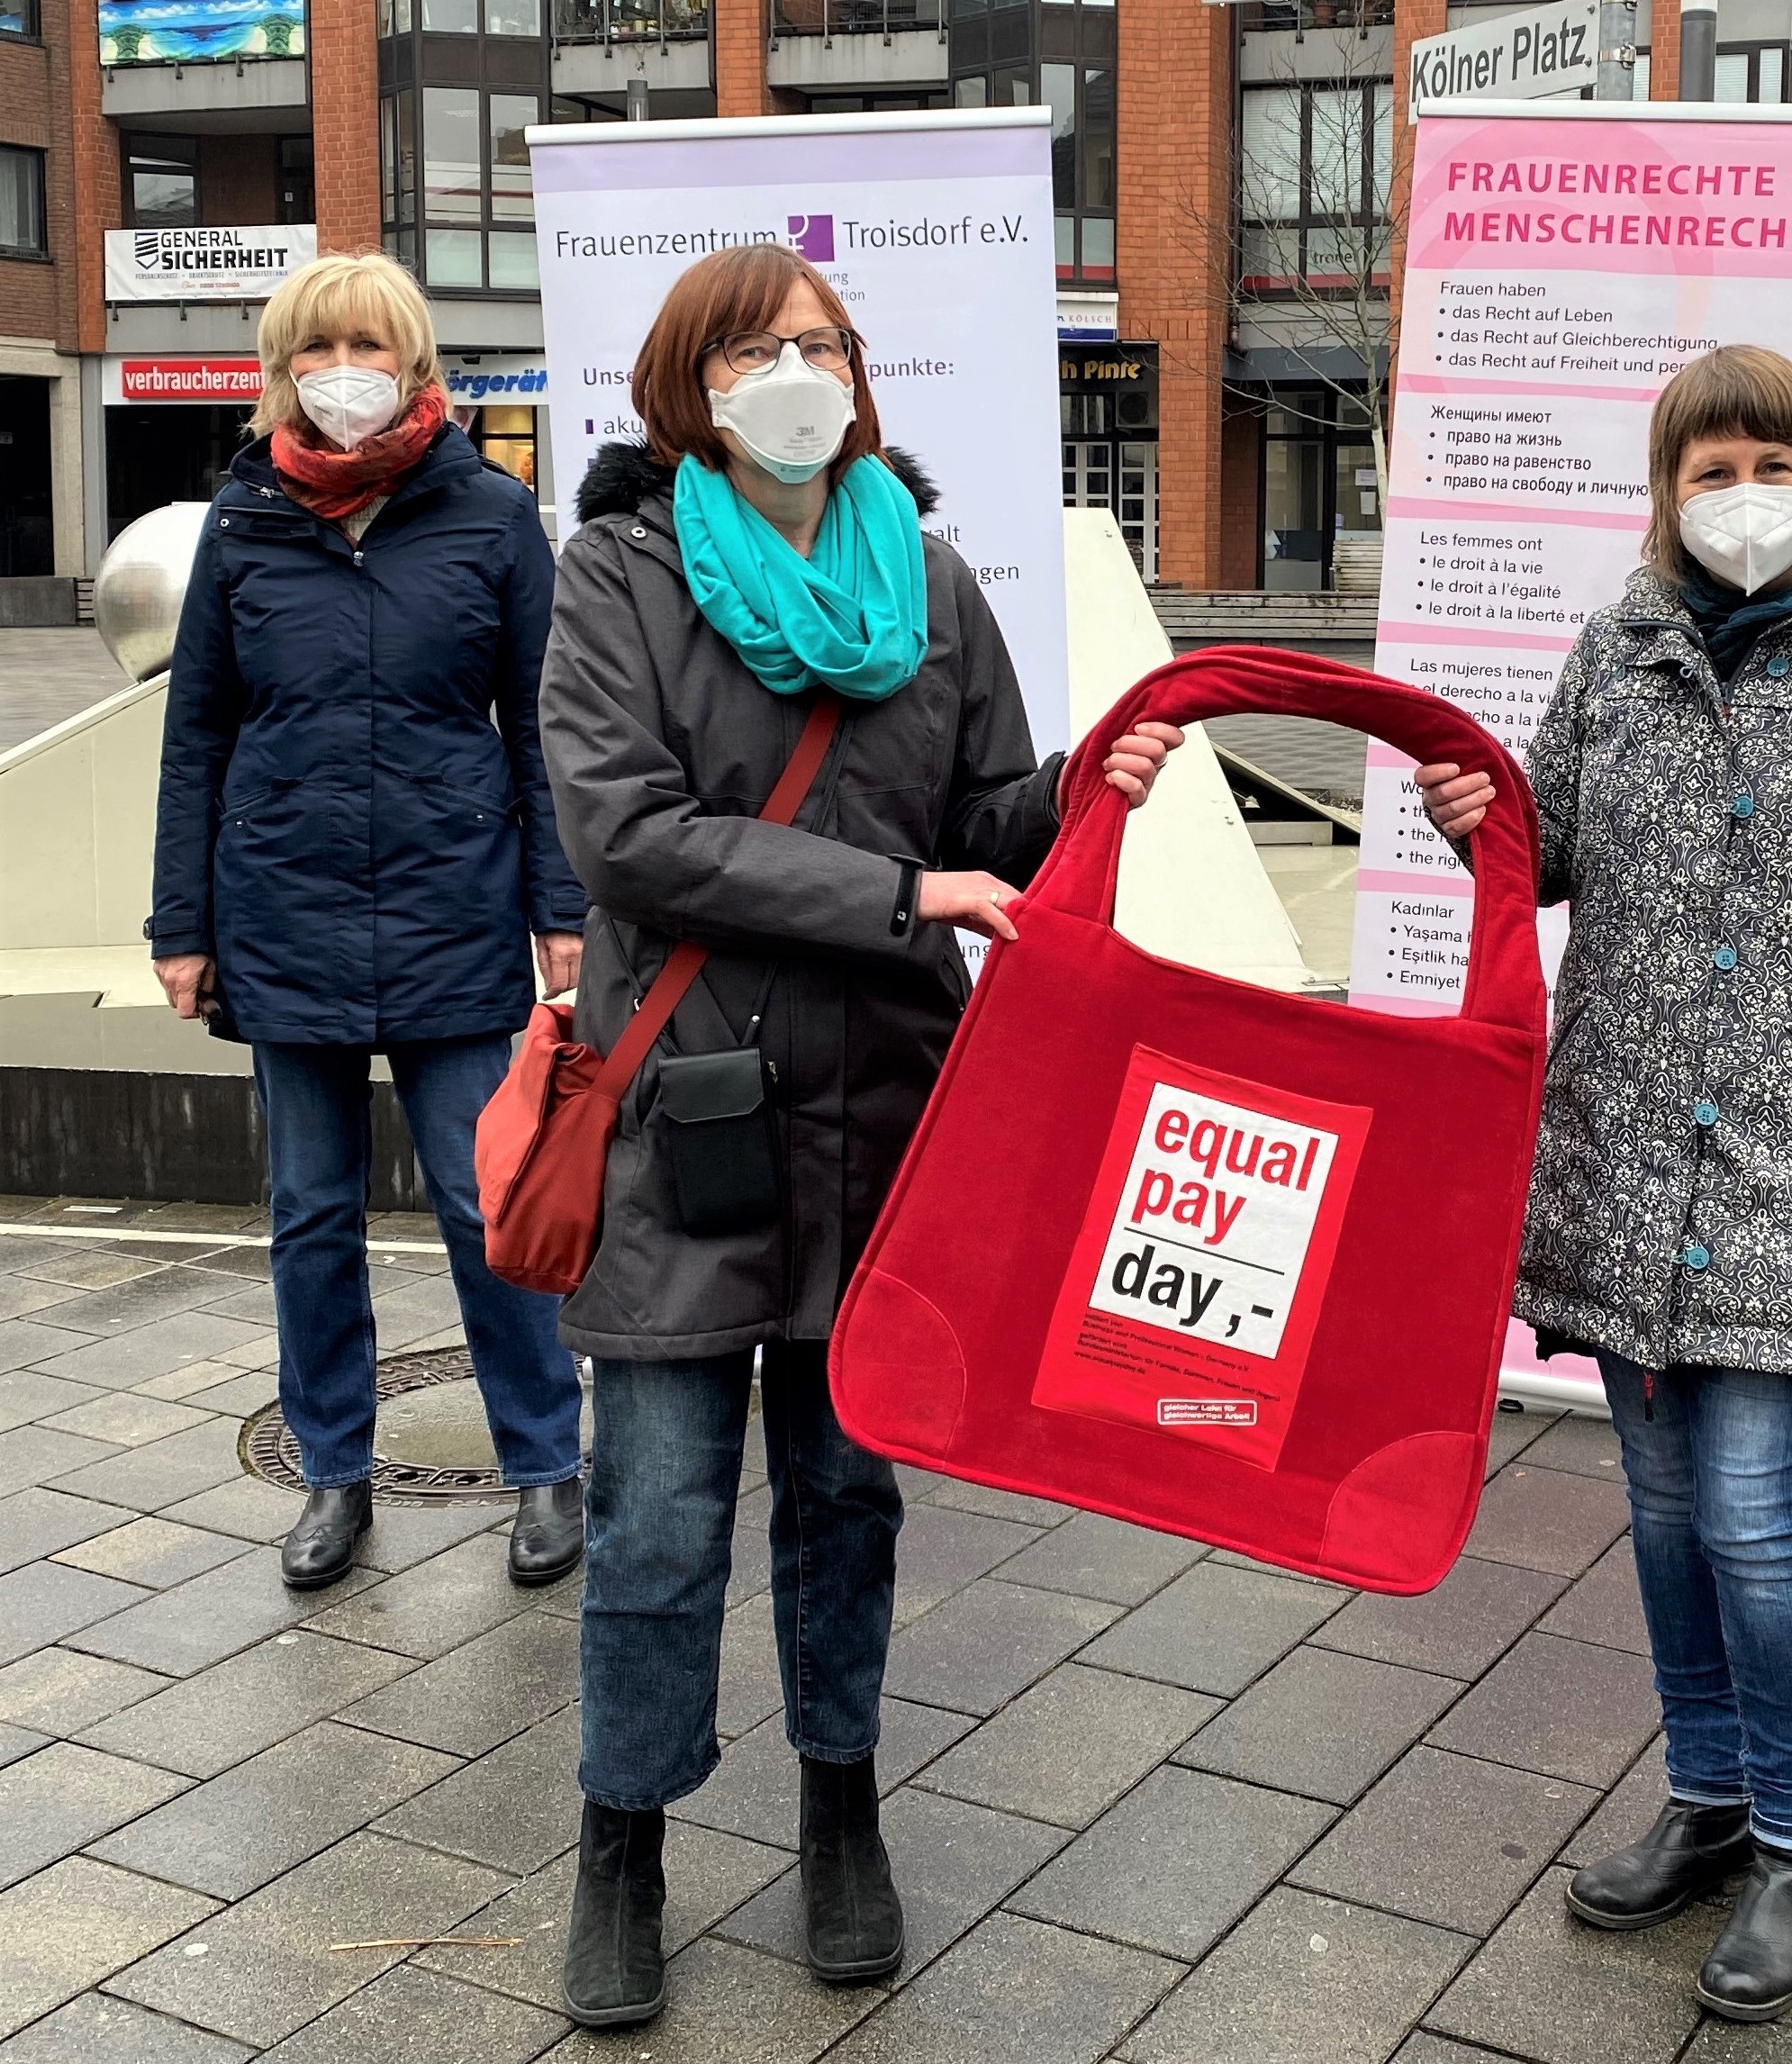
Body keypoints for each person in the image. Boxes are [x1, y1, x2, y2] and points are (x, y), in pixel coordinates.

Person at [537, 242, 1180, 2028]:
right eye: (759, 349)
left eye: (823, 342)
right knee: (657, 1519)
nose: (800, 372)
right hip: (688, 1120)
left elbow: (988, 819)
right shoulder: (618, 572)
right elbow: (630, 839)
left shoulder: (932, 576)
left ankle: (840, 1810)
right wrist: (902, 891)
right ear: (694, 386)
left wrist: (1086, 783)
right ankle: (623, 1840)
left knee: (846, 1497)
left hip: (891, 1114)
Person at [1415, 346, 1792, 2022]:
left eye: (1770, 462)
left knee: (1758, 1520)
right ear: (1664, 492)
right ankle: (1706, 1798)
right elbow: (1555, 853)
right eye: (1706, 468)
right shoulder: (1618, 647)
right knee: (1668, 1515)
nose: (1739, 493)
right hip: (1624, 1150)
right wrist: (1480, 816)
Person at [149, 252, 589, 1593]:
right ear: (284, 366)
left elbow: (545, 730)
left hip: (456, 915)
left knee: (485, 1202)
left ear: (414, 359)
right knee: (309, 1214)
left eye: (371, 342)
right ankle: (333, 1475)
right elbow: (197, 737)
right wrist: (184, 921)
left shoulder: (494, 513)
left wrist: (560, 907)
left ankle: (545, 1467)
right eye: (319, 344)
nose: (348, 366)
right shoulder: (240, 524)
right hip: (282, 914)